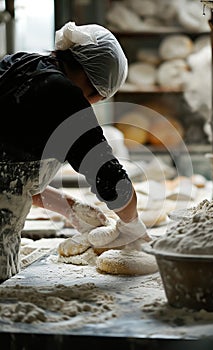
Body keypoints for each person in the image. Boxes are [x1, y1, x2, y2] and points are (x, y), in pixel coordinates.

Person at [0, 21, 149, 281]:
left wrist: (68, 207)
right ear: (92, 83)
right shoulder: (62, 94)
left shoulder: (19, 65)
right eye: (96, 97)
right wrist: (132, 224)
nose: (90, 103)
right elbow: (111, 178)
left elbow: (10, 179)